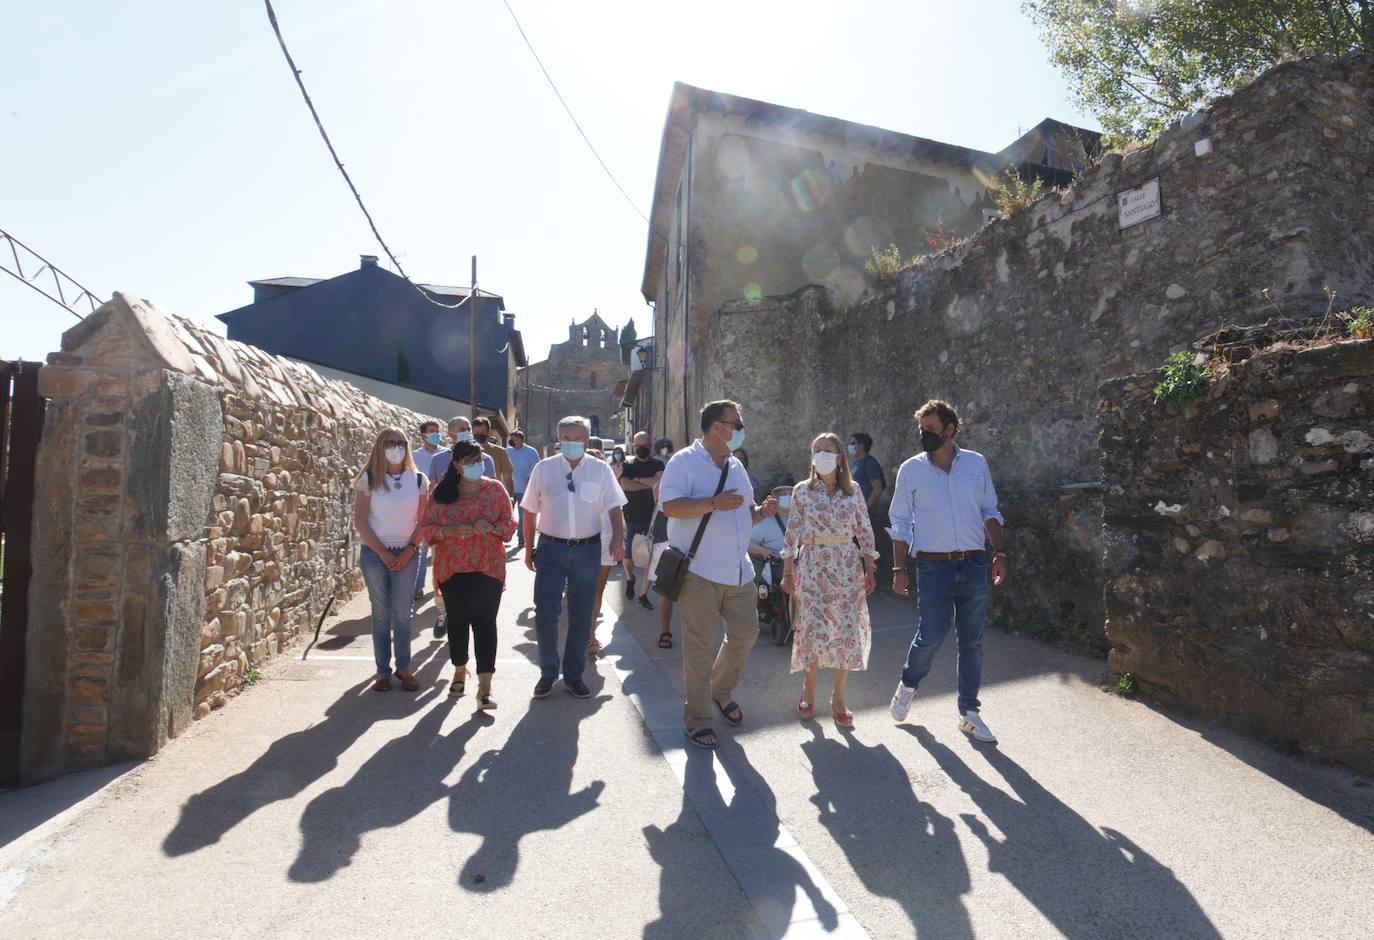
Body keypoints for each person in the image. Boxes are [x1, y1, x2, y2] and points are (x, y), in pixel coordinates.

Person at [660, 400, 779, 749]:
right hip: (699, 571)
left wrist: (762, 512)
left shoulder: (736, 467)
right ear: (717, 427)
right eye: (736, 423)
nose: (741, 428)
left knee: (746, 634)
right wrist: (712, 502)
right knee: (698, 649)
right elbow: (670, 507)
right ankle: (697, 719)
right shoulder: (682, 462)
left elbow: (743, 514)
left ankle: (719, 690)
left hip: (739, 570)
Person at [888, 400, 1008, 744]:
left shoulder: (975, 464)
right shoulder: (911, 470)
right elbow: (899, 521)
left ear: (950, 429)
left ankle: (969, 713)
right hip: (932, 566)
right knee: (932, 634)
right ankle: (908, 685)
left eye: (931, 429)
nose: (924, 435)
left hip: (973, 563)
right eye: (922, 429)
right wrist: (899, 568)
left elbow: (989, 509)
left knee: (972, 641)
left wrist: (999, 551)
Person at [521, 416, 628, 699]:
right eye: (566, 438)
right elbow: (530, 510)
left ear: (587, 439)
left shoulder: (600, 470)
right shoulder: (543, 470)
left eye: (578, 438)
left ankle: (573, 675)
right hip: (550, 549)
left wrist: (618, 538)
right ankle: (547, 672)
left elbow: (615, 507)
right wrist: (528, 547)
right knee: (545, 612)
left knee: (582, 614)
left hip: (588, 550)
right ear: (558, 440)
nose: (572, 443)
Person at [780, 434, 878, 727]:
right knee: (812, 626)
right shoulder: (802, 491)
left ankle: (838, 696)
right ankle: (809, 686)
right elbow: (792, 533)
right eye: (817, 450)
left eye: (828, 450)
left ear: (839, 458)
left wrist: (870, 565)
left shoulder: (854, 490)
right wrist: (787, 572)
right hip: (812, 565)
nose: (822, 454)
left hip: (847, 566)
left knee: (847, 628)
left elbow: (864, 527)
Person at [421, 440, 516, 710]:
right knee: (458, 621)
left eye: (479, 460)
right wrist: (448, 531)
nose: (476, 465)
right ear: (456, 465)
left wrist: (494, 527)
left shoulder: (495, 489)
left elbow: (509, 525)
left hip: (488, 565)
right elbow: (426, 528)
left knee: (485, 621)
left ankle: (485, 687)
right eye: (469, 461)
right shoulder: (442, 492)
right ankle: (460, 670)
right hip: (452, 567)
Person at [352, 427, 428, 692]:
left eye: (401, 443)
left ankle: (404, 668)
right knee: (381, 614)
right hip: (375, 554)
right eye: (390, 443)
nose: (396, 447)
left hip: (407, 552)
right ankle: (382, 671)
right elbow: (361, 521)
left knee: (403, 615)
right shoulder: (369, 478)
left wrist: (408, 550)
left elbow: (424, 521)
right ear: (380, 447)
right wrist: (383, 553)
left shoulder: (418, 480)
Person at [428, 416, 496, 639]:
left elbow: (493, 493)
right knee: (442, 575)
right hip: (447, 537)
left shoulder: (485, 459)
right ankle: (442, 612)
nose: (467, 431)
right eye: (461, 429)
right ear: (450, 433)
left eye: (468, 428)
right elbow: (433, 494)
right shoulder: (438, 460)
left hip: (479, 539)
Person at [617, 430, 665, 610]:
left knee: (651, 558)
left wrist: (637, 480)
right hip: (632, 518)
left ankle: (643, 595)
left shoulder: (658, 464)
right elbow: (625, 485)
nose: (642, 449)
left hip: (654, 518)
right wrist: (647, 482)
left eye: (645, 446)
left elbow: (659, 481)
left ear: (650, 446)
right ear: (633, 446)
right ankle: (630, 578)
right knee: (628, 557)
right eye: (638, 446)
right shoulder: (627, 465)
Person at [413, 419, 446, 601]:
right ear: (423, 435)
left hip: (442, 508)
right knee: (422, 548)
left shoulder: (446, 455)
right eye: (432, 431)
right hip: (422, 508)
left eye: (437, 431)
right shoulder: (414, 456)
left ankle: (440, 585)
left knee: (439, 550)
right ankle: (418, 586)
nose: (436, 434)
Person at [747, 483, 793, 585]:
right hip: (776, 564)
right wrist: (763, 550)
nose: (788, 496)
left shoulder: (803, 516)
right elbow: (747, 543)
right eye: (784, 494)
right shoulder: (766, 518)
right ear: (776, 497)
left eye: (791, 493)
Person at [505, 428, 540, 548]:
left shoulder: (531, 452)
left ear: (520, 439)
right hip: (508, 488)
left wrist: (530, 477)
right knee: (507, 514)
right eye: (511, 439)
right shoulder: (507, 451)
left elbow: (537, 467)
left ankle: (521, 539)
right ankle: (507, 534)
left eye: (514, 439)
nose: (512, 441)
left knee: (523, 516)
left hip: (524, 489)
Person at [472, 416, 515, 499]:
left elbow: (508, 477)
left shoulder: (500, 452)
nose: (479, 434)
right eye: (476, 431)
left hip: (492, 498)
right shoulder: (465, 451)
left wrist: (509, 498)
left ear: (488, 432)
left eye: (482, 431)